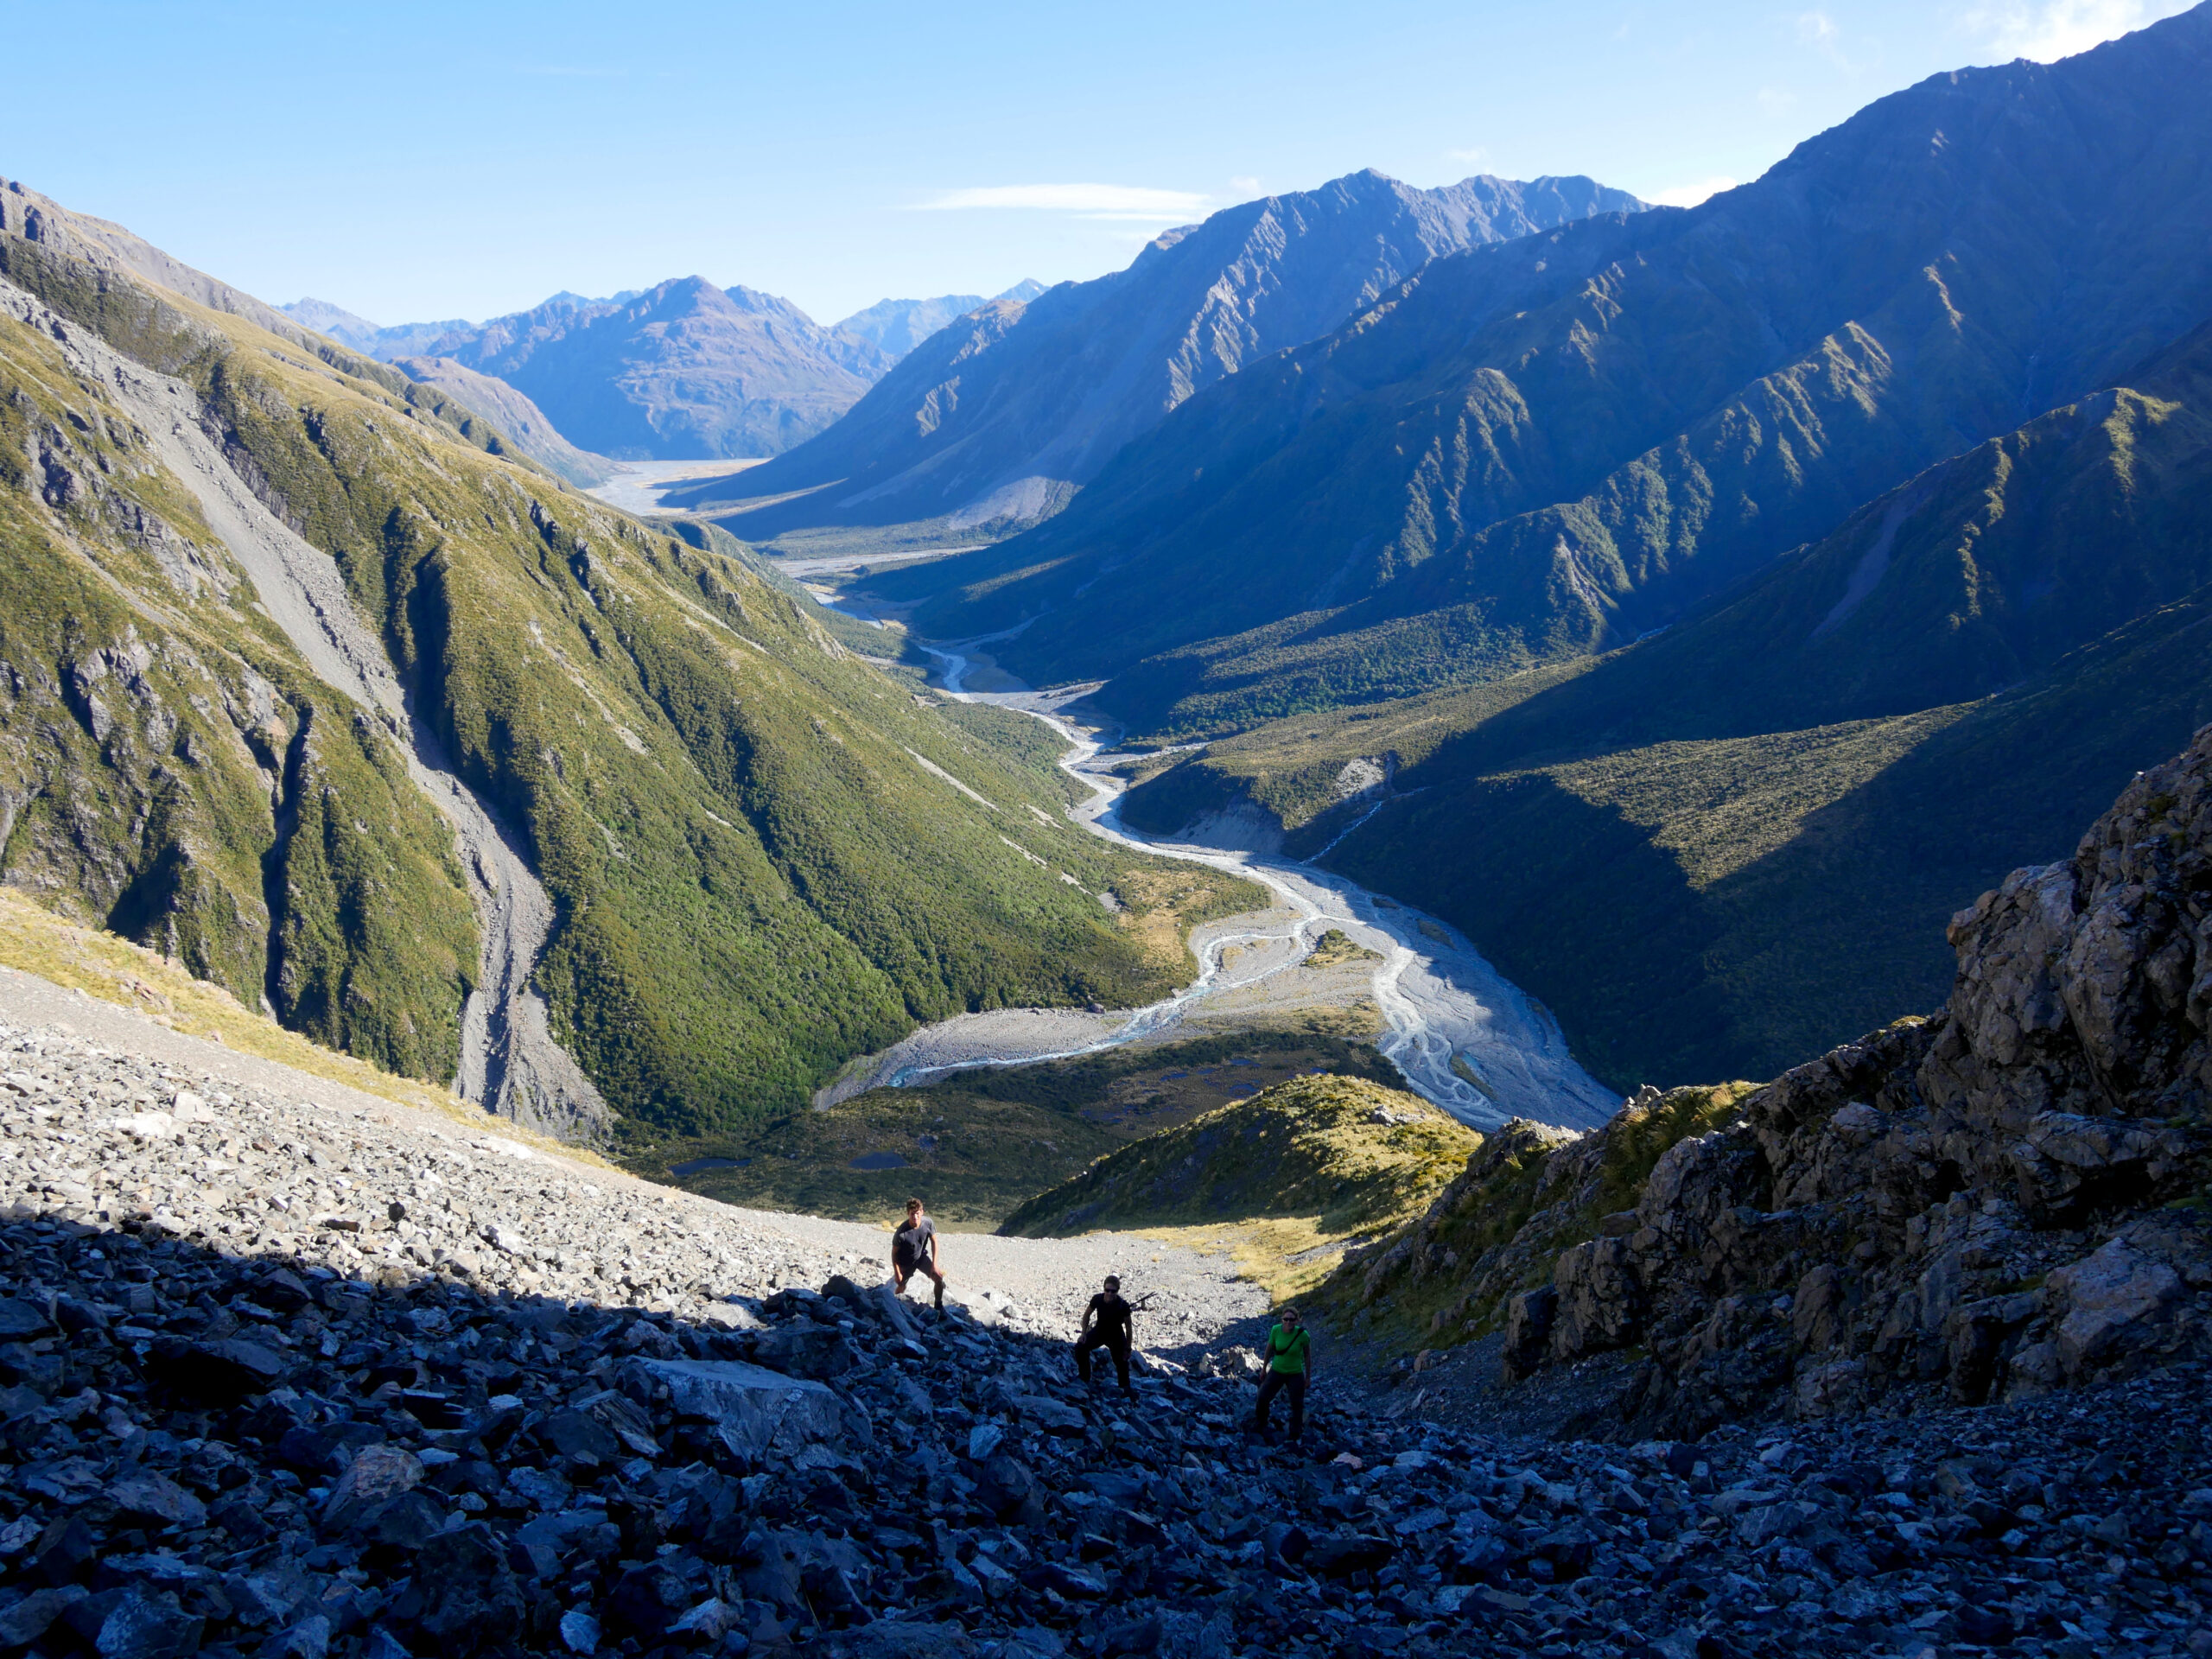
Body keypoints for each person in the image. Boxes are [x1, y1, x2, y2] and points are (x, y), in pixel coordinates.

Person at [1251, 1306, 1311, 1444]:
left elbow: (1308, 1356)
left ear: (1297, 1320)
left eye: (1292, 1319)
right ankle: (1261, 1422)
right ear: (1282, 1319)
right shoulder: (1275, 1330)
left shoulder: (1303, 1335)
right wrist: (1264, 1369)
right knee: (1262, 1396)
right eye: (1286, 1319)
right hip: (1277, 1370)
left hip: (1295, 1373)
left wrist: (1307, 1377)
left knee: (1297, 1404)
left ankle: (1295, 1433)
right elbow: (1269, 1350)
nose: (1288, 1322)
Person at [1075, 1274, 1135, 1392]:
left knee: (1121, 1361)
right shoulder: (1097, 1299)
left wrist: (1128, 1348)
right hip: (1099, 1331)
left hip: (1116, 1335)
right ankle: (1084, 1377)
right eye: (1107, 1290)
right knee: (1080, 1348)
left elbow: (1128, 1327)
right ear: (1104, 1289)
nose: (1110, 1293)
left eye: (1113, 1291)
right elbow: (1087, 1315)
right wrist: (1083, 1333)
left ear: (1117, 1291)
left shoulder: (1123, 1305)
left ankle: (1125, 1388)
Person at [891, 1198, 945, 1309]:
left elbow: (934, 1241)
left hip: (921, 1258)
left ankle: (938, 1306)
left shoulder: (928, 1223)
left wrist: (934, 1265)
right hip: (905, 1261)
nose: (915, 1217)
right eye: (912, 1214)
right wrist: (897, 1273)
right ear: (908, 1214)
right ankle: (893, 1305)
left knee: (939, 1279)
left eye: (917, 1213)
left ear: (922, 1212)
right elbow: (894, 1254)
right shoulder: (901, 1233)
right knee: (901, 1285)